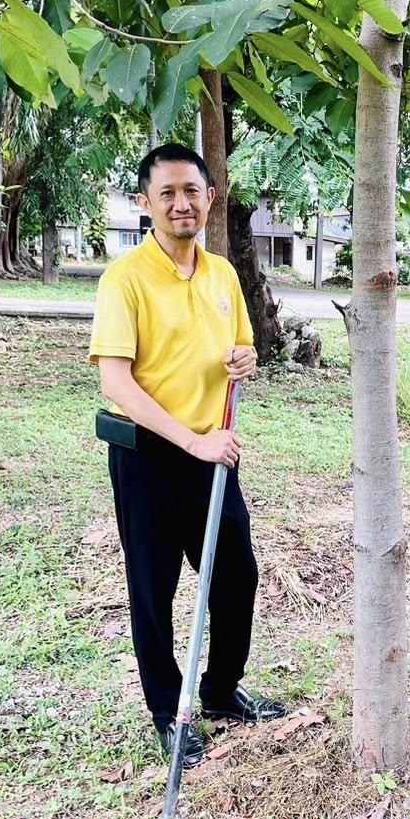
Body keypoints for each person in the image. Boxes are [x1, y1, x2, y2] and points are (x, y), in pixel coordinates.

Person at [89, 143, 286, 768]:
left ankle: (222, 690)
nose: (182, 203)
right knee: (153, 588)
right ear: (145, 203)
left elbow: (241, 350)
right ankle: (166, 711)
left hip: (213, 454)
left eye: (192, 192)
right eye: (168, 193)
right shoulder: (124, 279)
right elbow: (116, 382)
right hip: (148, 456)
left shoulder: (224, 274)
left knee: (236, 575)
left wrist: (244, 362)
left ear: (209, 199)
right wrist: (191, 439)